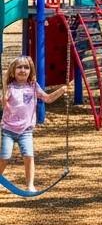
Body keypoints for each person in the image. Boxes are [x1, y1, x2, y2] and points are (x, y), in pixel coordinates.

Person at [0, 56, 67, 194]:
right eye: (19, 67)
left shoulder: (33, 86)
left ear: (30, 71)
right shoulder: (10, 87)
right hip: (9, 130)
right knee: (5, 157)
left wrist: (60, 91)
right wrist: (5, 92)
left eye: (26, 67)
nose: (23, 70)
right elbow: (4, 102)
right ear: (13, 71)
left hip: (26, 130)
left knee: (29, 157)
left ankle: (30, 185)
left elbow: (47, 98)